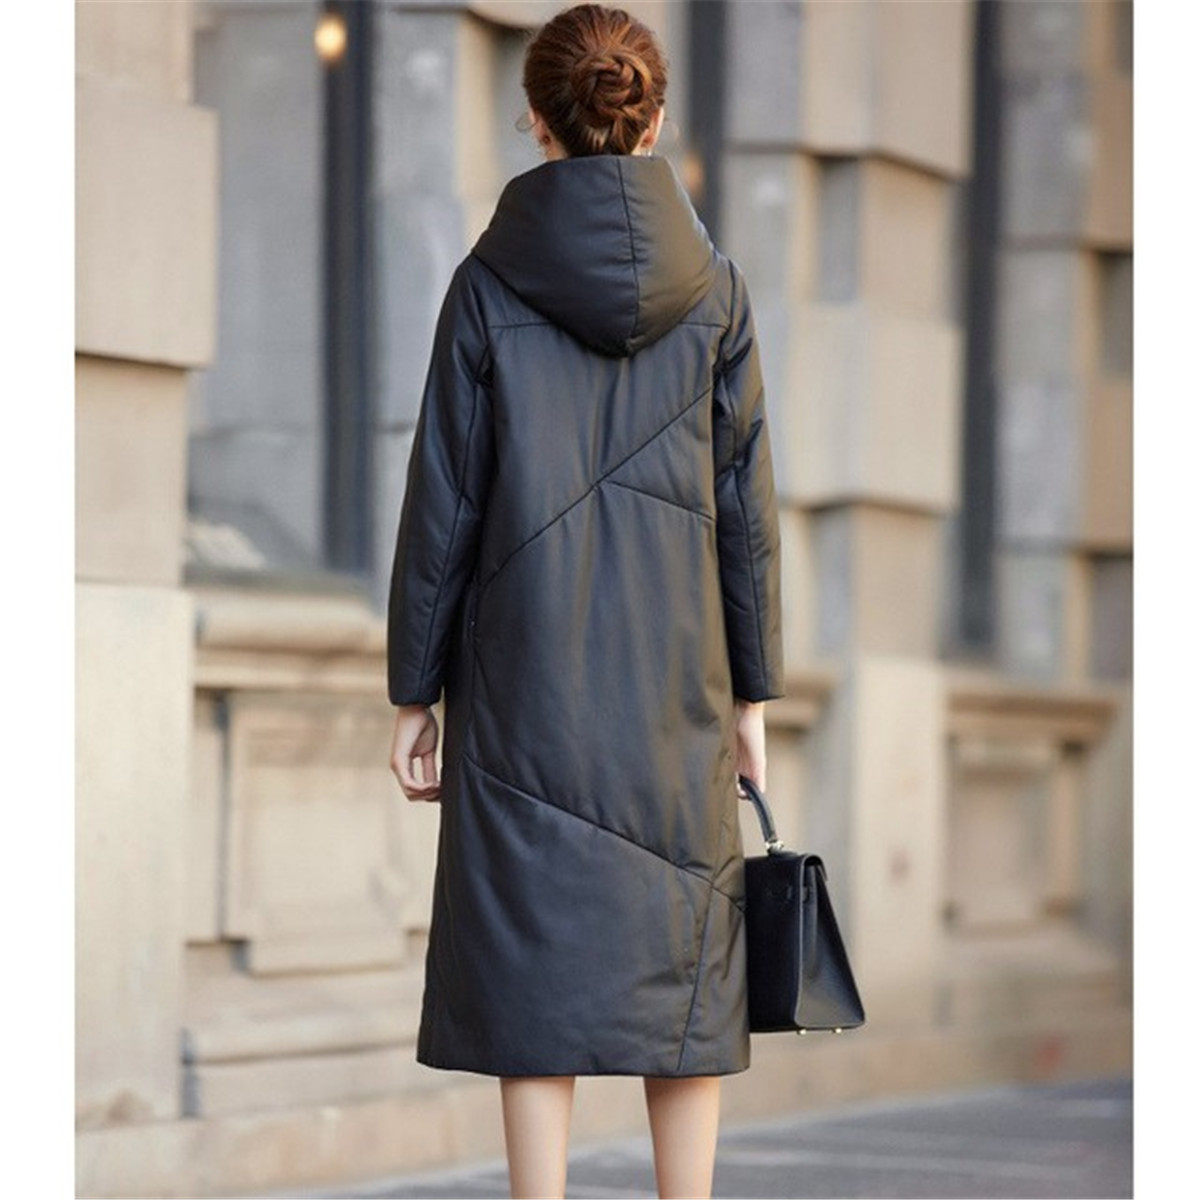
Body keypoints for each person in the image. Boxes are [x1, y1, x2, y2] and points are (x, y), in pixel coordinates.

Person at [386, 4, 784, 1196]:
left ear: (537, 123)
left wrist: (414, 692)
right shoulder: (718, 295)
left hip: (526, 687)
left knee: (531, 966)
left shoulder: (484, 285)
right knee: (685, 975)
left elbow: (444, 500)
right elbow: (747, 513)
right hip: (677, 692)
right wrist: (752, 696)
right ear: (653, 120)